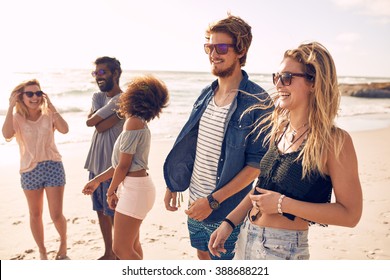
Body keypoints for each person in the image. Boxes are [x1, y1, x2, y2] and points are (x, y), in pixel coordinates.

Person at [208, 42, 363, 260]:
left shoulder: (335, 141)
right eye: (277, 77)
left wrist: (283, 204)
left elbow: (351, 215)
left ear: (313, 82)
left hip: (283, 250)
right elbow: (260, 189)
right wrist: (229, 223)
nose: (279, 84)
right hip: (246, 237)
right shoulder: (280, 130)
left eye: (287, 77)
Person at [163, 14, 272, 260]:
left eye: (221, 47)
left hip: (227, 210)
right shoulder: (205, 94)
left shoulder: (258, 101)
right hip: (195, 202)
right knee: (202, 256)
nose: (213, 53)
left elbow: (256, 166)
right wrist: (174, 184)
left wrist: (212, 201)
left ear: (240, 51)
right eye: (209, 47)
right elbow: (192, 145)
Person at [82, 75, 169, 260]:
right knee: (132, 245)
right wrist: (97, 181)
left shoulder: (133, 123)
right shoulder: (138, 122)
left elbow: (123, 166)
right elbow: (119, 166)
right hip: (135, 187)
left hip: (135, 190)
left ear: (134, 98)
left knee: (121, 249)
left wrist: (110, 191)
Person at [2, 79, 69, 260]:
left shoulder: (48, 114)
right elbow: (7, 134)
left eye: (38, 93)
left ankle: (63, 244)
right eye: (29, 94)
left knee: (56, 214)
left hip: (53, 165)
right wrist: (10, 107)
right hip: (29, 170)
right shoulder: (16, 118)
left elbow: (65, 129)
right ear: (21, 97)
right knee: (35, 214)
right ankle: (42, 250)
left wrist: (52, 105)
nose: (34, 97)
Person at [84, 56, 125, 260]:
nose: (98, 77)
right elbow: (93, 122)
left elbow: (97, 124)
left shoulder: (122, 99)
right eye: (95, 73)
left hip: (112, 165)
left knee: (114, 212)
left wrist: (107, 118)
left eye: (102, 72)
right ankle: (109, 252)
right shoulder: (98, 96)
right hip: (95, 162)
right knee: (100, 210)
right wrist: (113, 116)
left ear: (115, 73)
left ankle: (119, 253)